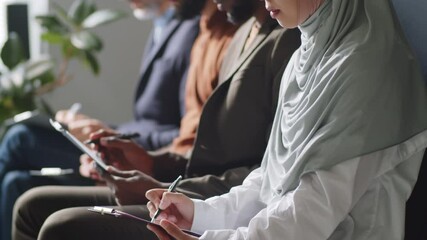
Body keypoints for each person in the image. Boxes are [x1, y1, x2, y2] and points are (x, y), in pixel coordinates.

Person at [11, 0, 301, 239]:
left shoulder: (289, 40)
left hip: (213, 198)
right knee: (29, 205)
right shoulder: (242, 33)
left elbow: (271, 172)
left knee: (61, 226)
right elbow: (202, 146)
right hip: (186, 183)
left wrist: (171, 188)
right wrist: (152, 162)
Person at [145, 0, 427, 239]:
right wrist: (197, 213)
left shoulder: (367, 70)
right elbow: (271, 185)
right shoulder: (304, 60)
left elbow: (312, 210)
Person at [0, 0, 200, 239]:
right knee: (15, 178)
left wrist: (113, 134)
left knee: (20, 139)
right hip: (127, 142)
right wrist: (99, 127)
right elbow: (150, 118)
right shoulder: (163, 25)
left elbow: (187, 133)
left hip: (143, 154)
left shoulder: (194, 30)